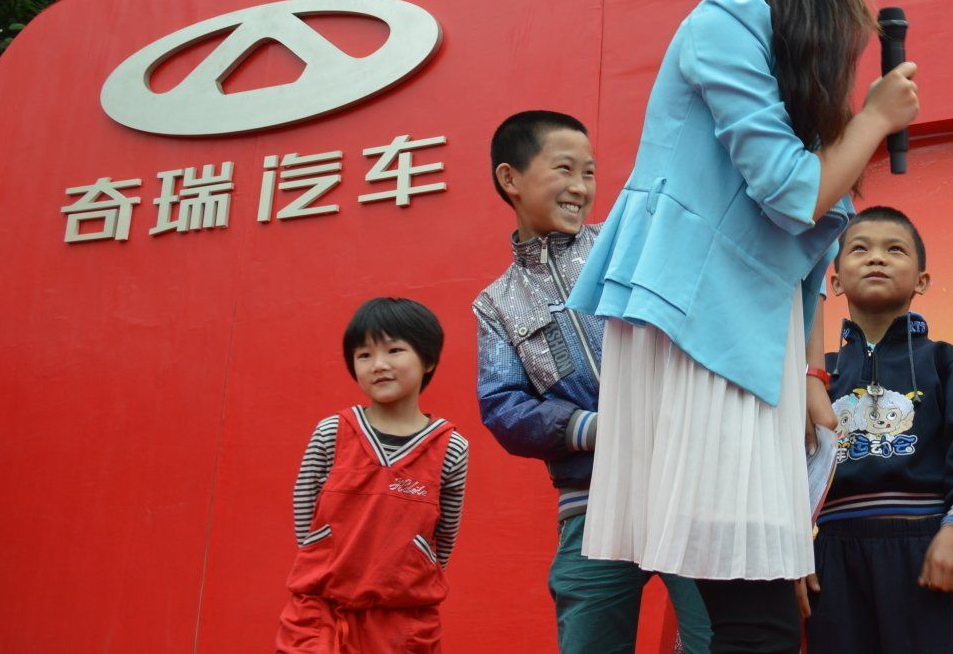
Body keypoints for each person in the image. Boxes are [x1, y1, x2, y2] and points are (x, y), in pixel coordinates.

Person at [568, 0, 920, 654]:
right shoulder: (724, 22)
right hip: (698, 325)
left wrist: (809, 375)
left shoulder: (784, 45)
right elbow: (793, 193)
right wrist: (872, 119)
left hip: (753, 340)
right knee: (756, 612)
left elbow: (801, 250)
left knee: (757, 612)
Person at [473, 110, 712, 653]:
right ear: (511, 178)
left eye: (589, 172)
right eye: (564, 169)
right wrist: (591, 428)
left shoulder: (627, 243)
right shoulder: (494, 303)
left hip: (682, 479)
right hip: (590, 501)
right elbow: (501, 406)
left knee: (717, 638)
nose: (581, 187)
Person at [804, 207, 953, 654]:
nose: (877, 258)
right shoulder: (819, 378)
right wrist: (794, 552)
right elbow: (792, 468)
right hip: (832, 554)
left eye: (895, 249)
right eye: (859, 249)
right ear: (834, 281)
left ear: (922, 281)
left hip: (925, 546)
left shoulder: (945, 362)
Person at [277, 297, 469, 654]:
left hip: (404, 621)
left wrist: (411, 567)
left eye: (394, 350)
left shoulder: (451, 447)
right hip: (319, 611)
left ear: (428, 360)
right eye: (364, 355)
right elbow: (305, 512)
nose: (378, 365)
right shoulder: (332, 431)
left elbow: (444, 536)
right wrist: (324, 555)